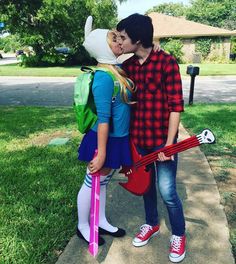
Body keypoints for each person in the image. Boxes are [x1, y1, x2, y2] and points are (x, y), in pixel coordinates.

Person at [116, 14, 186, 263]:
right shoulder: (127, 67)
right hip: (138, 140)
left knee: (167, 191)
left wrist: (170, 144)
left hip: (162, 141)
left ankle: (179, 234)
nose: (120, 42)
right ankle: (152, 224)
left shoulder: (167, 63)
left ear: (138, 38)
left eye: (123, 37)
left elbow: (176, 106)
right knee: (146, 187)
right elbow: (107, 56)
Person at [76, 16, 136, 246]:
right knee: (91, 181)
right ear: (103, 47)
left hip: (117, 139)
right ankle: (83, 225)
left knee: (104, 182)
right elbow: (103, 120)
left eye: (120, 38)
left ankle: (100, 220)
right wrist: (101, 153)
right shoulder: (103, 77)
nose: (120, 41)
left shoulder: (117, 70)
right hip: (103, 140)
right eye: (114, 38)